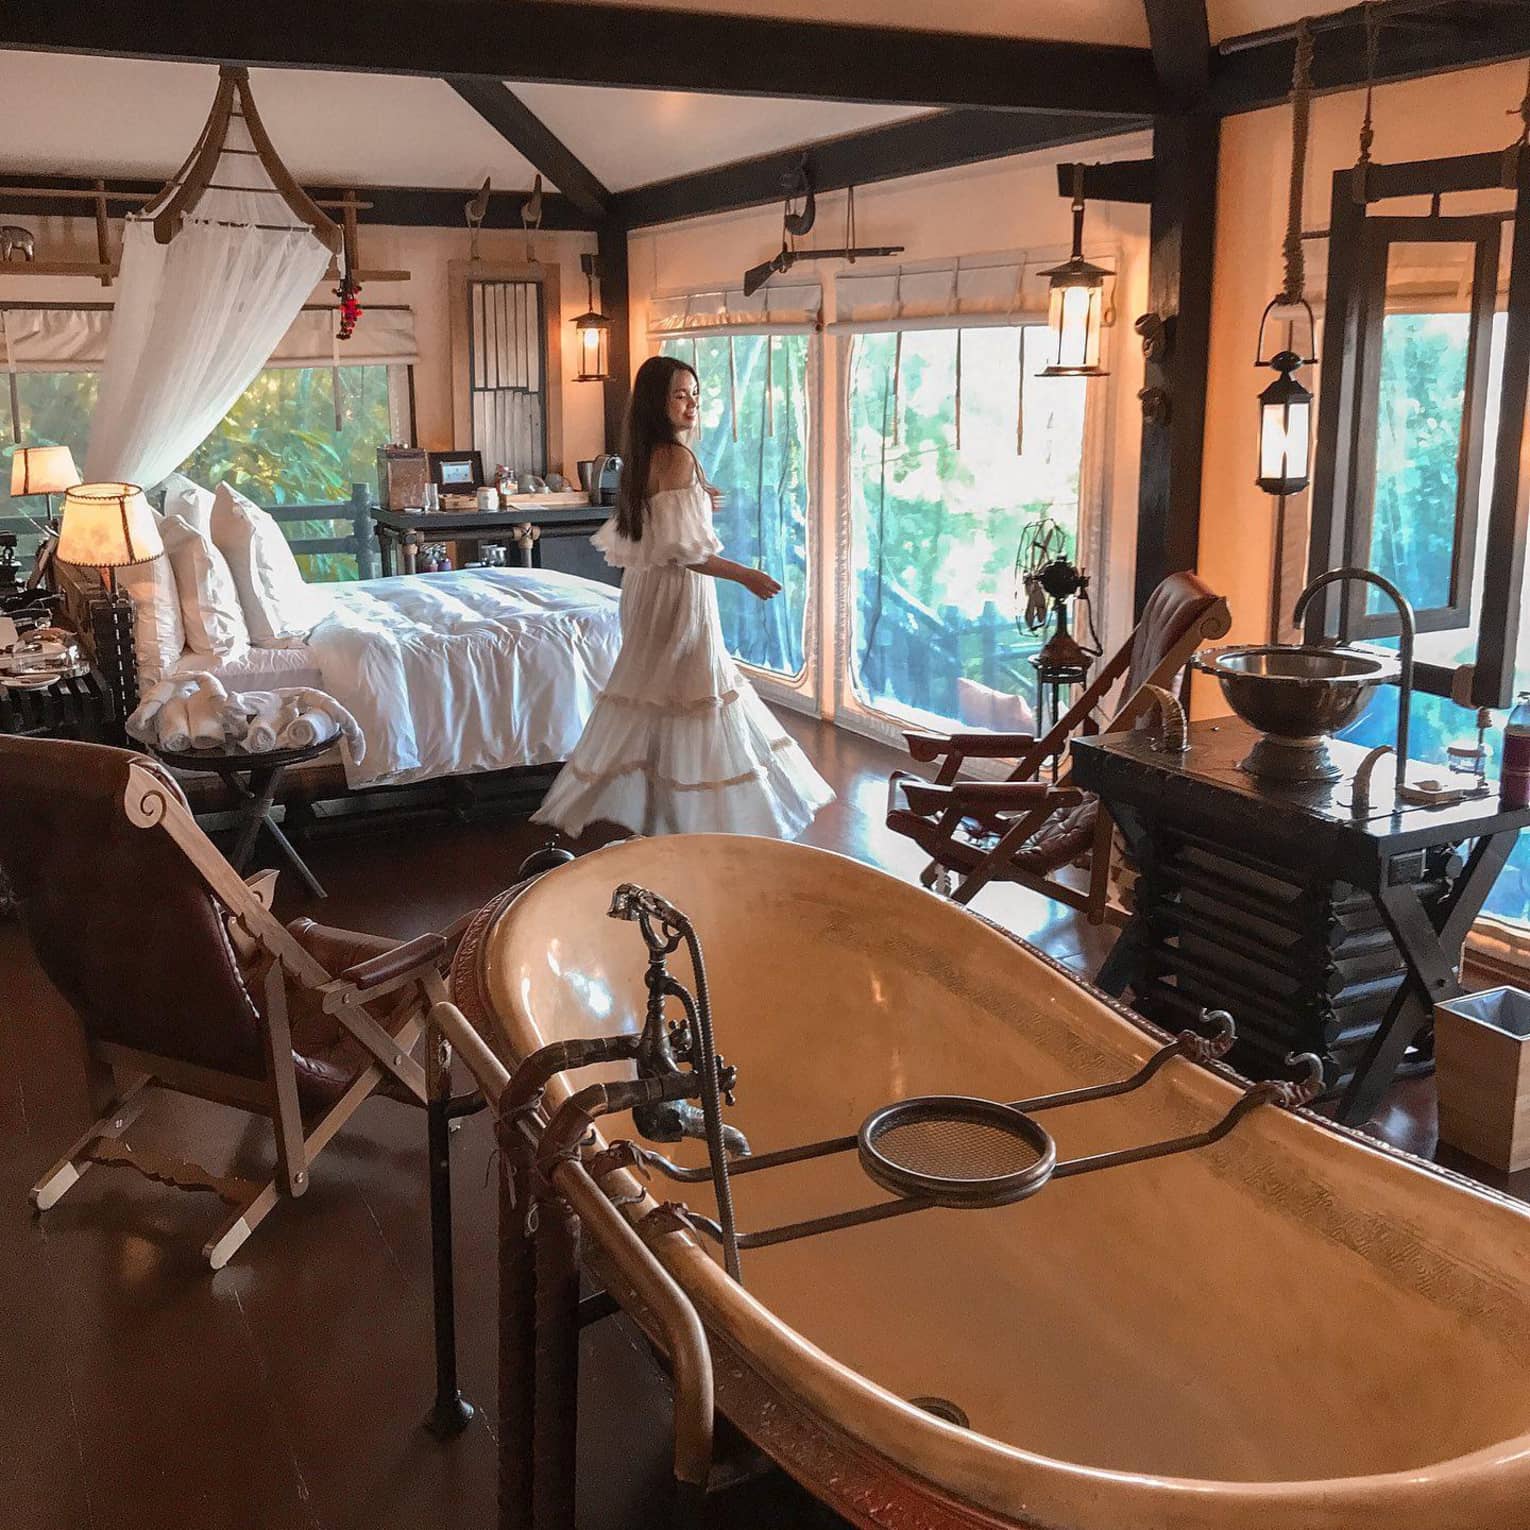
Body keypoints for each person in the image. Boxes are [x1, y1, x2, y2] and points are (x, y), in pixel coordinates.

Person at [534, 354, 834, 839]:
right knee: (695, 692)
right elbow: (684, 552)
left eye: (695, 394)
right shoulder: (674, 456)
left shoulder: (648, 454)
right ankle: (700, 814)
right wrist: (745, 575)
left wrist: (697, 498)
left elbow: (657, 527)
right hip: (676, 594)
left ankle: (658, 808)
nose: (692, 404)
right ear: (659, 401)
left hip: (648, 589)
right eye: (680, 395)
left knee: (658, 693)